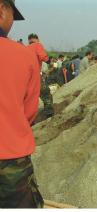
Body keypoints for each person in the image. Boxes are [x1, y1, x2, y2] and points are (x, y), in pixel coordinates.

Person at [0, 0, 44, 208]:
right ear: (2, 9)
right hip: (10, 161)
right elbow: (29, 112)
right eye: (12, 16)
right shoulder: (24, 55)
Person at [27, 33, 54, 118]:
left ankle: (28, 118)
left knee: (28, 97)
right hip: (34, 75)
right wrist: (50, 62)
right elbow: (43, 56)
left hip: (24, 77)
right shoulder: (37, 45)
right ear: (37, 40)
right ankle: (49, 113)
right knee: (45, 93)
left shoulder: (25, 48)